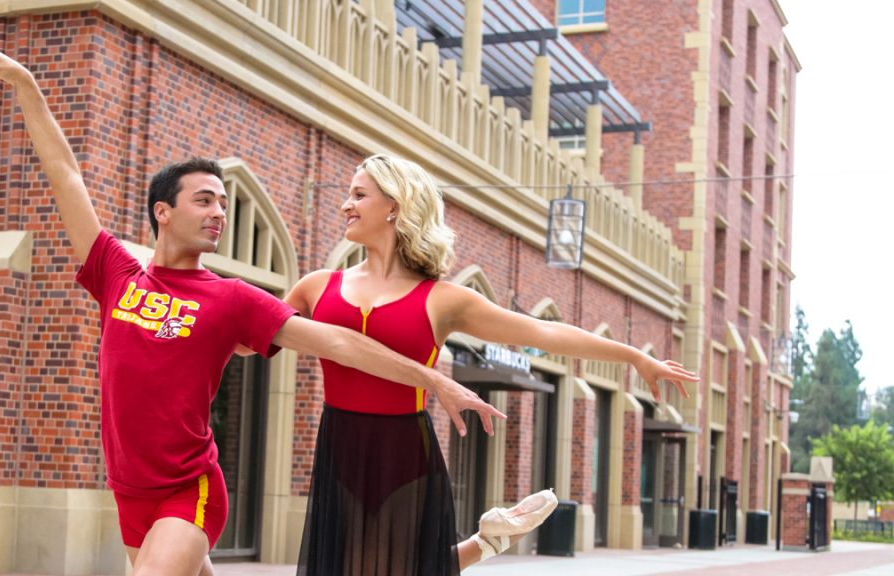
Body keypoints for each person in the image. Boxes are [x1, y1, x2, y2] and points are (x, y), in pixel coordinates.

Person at [0, 24, 506, 576]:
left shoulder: (234, 299)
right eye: (204, 200)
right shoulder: (116, 272)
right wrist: (25, 85)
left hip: (188, 489)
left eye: (223, 201)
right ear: (163, 212)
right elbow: (67, 175)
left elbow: (335, 341)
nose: (219, 211)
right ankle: (482, 545)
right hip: (127, 488)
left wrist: (433, 380)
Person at [279, 154, 700, 575]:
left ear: (395, 206)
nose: (344, 205)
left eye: (358, 195)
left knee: (390, 567)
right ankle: (488, 541)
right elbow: (250, 334)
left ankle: (486, 541)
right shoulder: (316, 286)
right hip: (339, 440)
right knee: (349, 566)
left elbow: (543, 333)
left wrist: (634, 356)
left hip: (402, 447)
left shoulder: (442, 299)